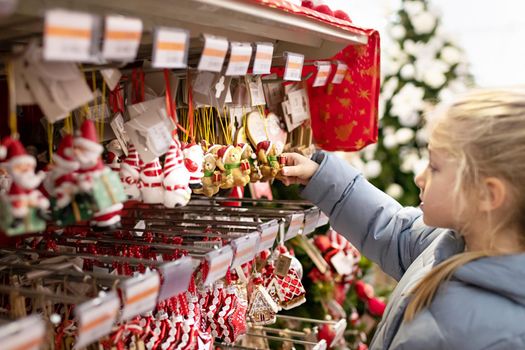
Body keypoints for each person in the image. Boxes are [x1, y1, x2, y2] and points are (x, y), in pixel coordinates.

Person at [280, 89, 525, 349]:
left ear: (487, 195)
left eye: (434, 167)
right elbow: (395, 232)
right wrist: (322, 177)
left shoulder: (492, 336)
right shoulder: (457, 240)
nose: (420, 178)